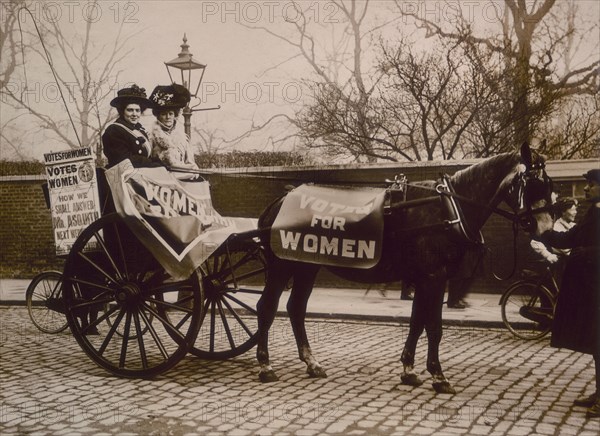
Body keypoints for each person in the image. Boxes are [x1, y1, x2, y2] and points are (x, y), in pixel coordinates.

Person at [541, 168, 600, 419]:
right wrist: (541, 231)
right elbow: (569, 238)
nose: (586, 188)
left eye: (591, 184)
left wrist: (586, 253)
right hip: (591, 287)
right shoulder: (594, 212)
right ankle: (599, 392)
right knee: (596, 343)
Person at [102, 84, 163, 168]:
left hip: (141, 172)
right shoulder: (114, 130)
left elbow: (146, 155)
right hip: (123, 176)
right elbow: (124, 160)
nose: (135, 114)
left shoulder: (139, 129)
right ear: (122, 111)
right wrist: (152, 164)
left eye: (137, 110)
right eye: (130, 110)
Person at [148, 84, 200, 180]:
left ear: (175, 114)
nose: (168, 117)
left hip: (184, 182)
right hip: (161, 182)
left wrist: (193, 173)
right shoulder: (151, 137)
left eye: (171, 113)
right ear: (158, 116)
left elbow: (191, 163)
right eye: (164, 114)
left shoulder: (183, 139)